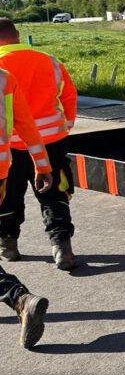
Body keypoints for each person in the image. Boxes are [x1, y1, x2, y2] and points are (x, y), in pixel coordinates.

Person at [0, 19, 79, 270]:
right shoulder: (48, 60)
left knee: (8, 197)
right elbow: (68, 94)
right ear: (17, 35)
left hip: (10, 146)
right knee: (55, 193)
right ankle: (61, 247)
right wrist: (66, 124)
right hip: (51, 140)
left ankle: (8, 244)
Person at [0, 64, 54, 348]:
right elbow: (25, 124)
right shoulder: (5, 78)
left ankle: (20, 299)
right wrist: (42, 164)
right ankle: (20, 299)